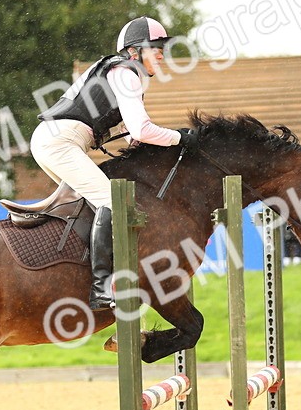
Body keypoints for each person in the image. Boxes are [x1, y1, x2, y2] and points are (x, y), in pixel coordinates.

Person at [31, 16, 198, 310]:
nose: (161, 54)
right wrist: (181, 138)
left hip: (56, 140)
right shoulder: (126, 73)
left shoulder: (120, 72)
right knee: (113, 201)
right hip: (60, 143)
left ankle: (81, 274)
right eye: (156, 47)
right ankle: (100, 288)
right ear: (134, 52)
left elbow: (131, 134)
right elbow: (142, 130)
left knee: (92, 206)